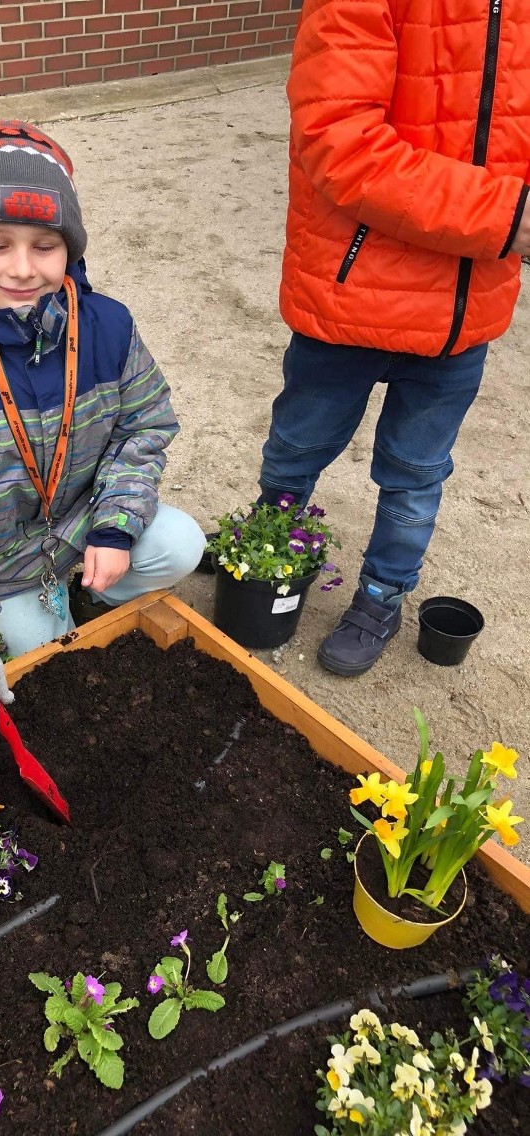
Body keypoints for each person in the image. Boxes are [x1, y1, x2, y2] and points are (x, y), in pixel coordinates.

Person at [0, 121, 204, 730]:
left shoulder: (109, 328)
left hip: (84, 525)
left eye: (46, 245)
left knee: (180, 544)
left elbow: (146, 427)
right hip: (2, 557)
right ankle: (37, 607)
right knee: (38, 652)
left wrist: (113, 529)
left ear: (71, 250)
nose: (24, 268)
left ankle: (93, 587)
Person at [256, 0, 530, 677]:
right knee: (297, 449)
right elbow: (339, 141)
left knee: (415, 477)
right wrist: (507, 214)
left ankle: (381, 595)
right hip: (353, 293)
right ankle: (268, 551)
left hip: (464, 313)